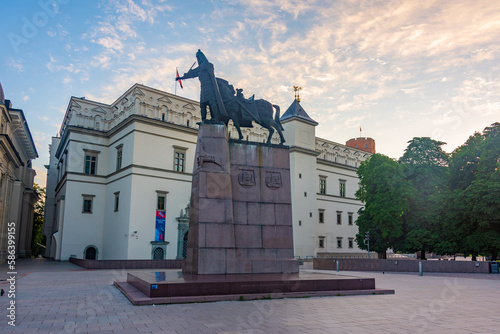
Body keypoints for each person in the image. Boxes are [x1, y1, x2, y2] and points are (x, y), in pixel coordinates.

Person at [176, 50, 228, 122]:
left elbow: (203, 71)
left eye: (199, 57)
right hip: (203, 87)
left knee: (211, 102)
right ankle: (203, 120)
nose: (198, 59)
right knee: (202, 104)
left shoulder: (207, 65)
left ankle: (215, 118)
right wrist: (181, 78)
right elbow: (192, 74)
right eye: (197, 58)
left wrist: (190, 72)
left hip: (210, 86)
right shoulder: (199, 69)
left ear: (202, 57)